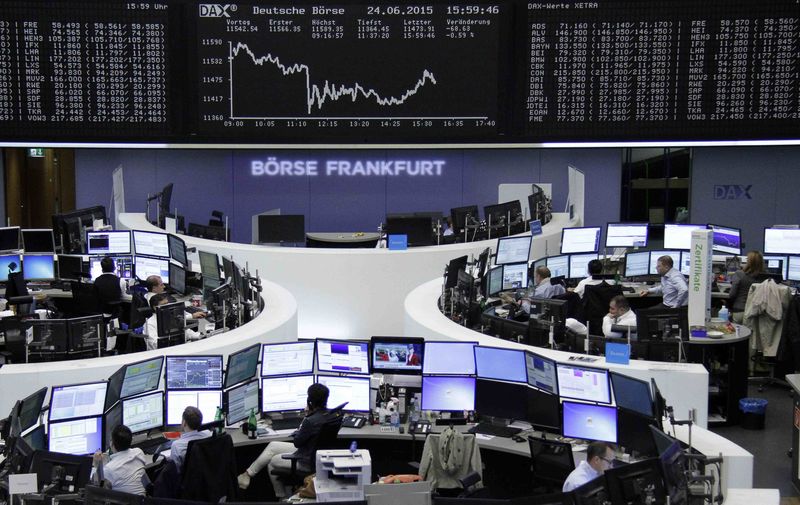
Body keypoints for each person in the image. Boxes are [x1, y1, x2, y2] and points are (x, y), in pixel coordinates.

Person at [238, 383, 340, 499]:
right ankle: (247, 475)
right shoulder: (332, 415)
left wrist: (305, 419)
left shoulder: (310, 421)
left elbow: (297, 442)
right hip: (314, 455)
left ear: (310, 401)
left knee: (271, 461)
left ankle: (283, 498)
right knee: (273, 445)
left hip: (306, 461)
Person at [92, 424, 148, 495]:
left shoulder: (109, 469)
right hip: (144, 500)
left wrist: (97, 465)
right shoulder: (139, 452)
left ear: (111, 443)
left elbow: (97, 488)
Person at [169, 406, 211, 473]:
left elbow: (175, 472)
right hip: (208, 477)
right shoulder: (208, 435)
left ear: (184, 423)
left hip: (188, 481)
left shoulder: (177, 445)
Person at [729, 251, 765, 324]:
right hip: (756, 313)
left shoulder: (739, 274)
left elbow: (732, 295)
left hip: (740, 311)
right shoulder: (764, 277)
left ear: (749, 262)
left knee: (737, 334)